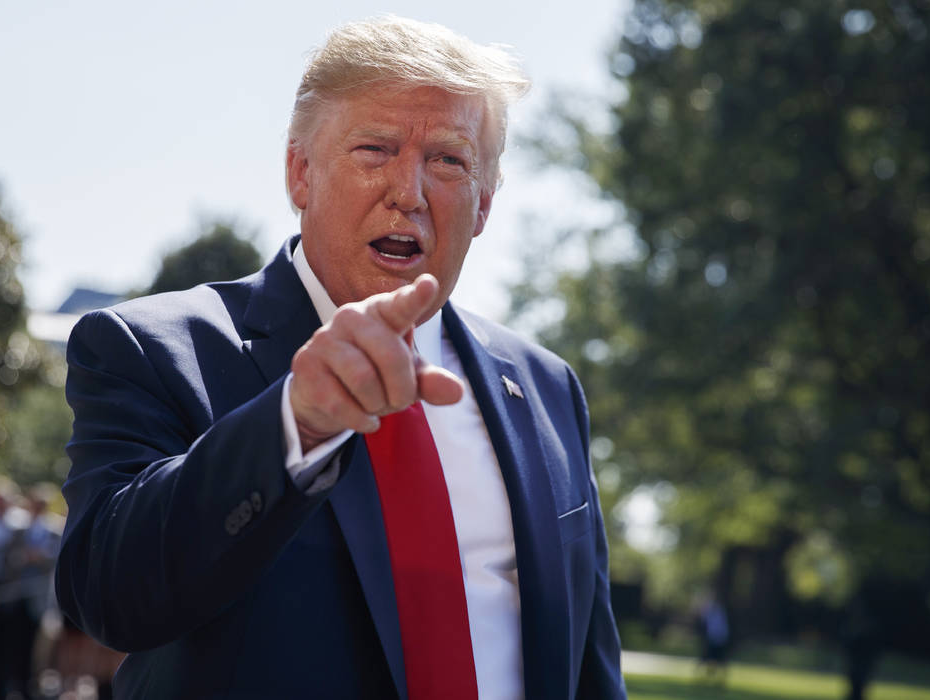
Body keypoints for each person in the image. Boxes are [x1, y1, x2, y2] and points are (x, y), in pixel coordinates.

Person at [56, 15, 625, 699]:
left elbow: (590, 668)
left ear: (484, 204)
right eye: (375, 148)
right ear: (300, 174)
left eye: (448, 159)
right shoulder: (148, 347)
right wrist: (296, 424)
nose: (408, 191)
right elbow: (110, 595)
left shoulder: (546, 387)